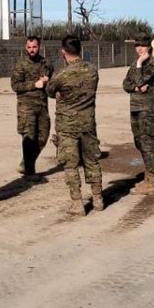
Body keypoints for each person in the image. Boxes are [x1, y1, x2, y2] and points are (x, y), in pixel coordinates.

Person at [45, 35, 102, 216]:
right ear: (80, 50)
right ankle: (98, 198)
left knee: (70, 165)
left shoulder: (61, 75)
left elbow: (50, 91)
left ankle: (77, 203)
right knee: (91, 160)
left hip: (67, 127)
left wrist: (62, 94)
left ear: (63, 52)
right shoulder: (93, 70)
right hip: (87, 124)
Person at [122, 36, 154, 195]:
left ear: (149, 47)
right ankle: (148, 177)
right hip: (135, 108)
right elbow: (126, 84)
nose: (139, 49)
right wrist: (138, 88)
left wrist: (139, 65)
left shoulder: (153, 64)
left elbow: (138, 80)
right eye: (137, 46)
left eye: (142, 46)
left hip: (148, 108)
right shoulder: (134, 64)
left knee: (147, 142)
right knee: (139, 142)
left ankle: (151, 182)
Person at [10, 35, 53, 178]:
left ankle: (25, 163)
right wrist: (34, 84)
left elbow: (51, 74)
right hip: (26, 107)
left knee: (43, 136)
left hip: (42, 105)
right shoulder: (21, 64)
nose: (31, 50)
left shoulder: (45, 63)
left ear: (39, 46)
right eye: (29, 47)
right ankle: (30, 172)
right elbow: (15, 86)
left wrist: (48, 79)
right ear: (25, 47)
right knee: (29, 138)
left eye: (34, 47)